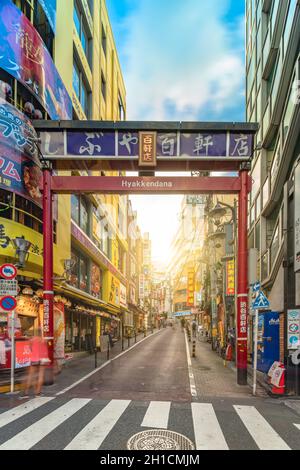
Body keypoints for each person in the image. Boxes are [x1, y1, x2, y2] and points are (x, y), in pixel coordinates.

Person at [23, 328, 50, 397]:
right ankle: (38, 393)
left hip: (34, 359)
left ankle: (26, 393)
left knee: (30, 376)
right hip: (43, 360)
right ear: (41, 333)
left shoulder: (31, 340)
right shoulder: (44, 340)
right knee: (41, 376)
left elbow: (30, 348)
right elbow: (47, 348)